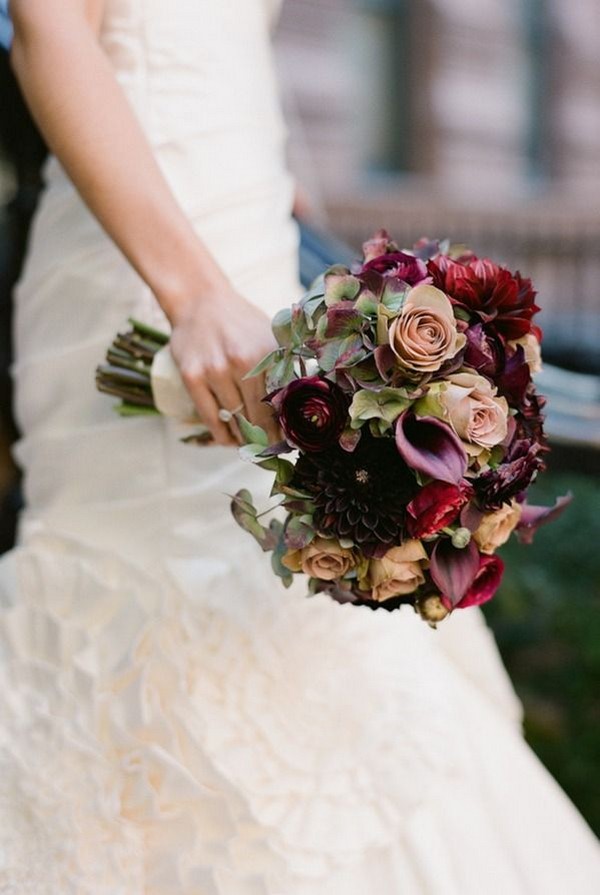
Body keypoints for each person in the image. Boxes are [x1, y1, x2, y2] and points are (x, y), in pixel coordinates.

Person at [0, 2, 599, 893]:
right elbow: (51, 32)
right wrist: (193, 290)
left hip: (252, 239)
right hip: (144, 257)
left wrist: (283, 188)